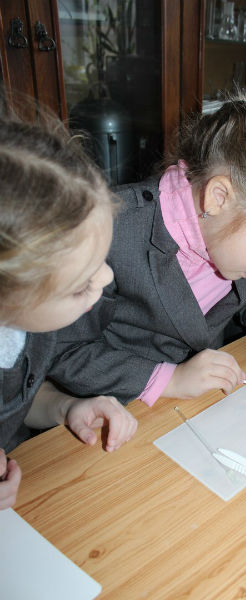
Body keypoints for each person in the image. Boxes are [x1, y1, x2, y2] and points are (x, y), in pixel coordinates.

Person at [48, 89, 246, 416]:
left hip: (193, 409)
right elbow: (64, 350)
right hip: (113, 412)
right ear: (218, 198)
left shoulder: (232, 236)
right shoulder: (109, 234)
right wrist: (169, 380)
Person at [0, 109, 137, 509]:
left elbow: (20, 400)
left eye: (101, 261)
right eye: (81, 285)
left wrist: (64, 406)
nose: (107, 278)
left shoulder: (26, 326)